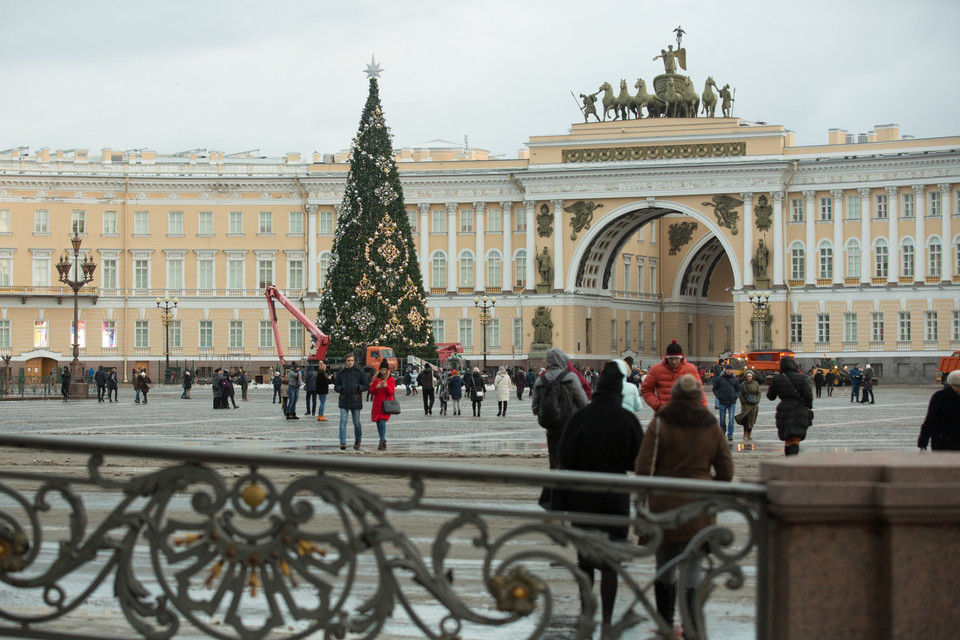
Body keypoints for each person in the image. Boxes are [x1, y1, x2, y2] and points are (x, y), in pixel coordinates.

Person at [635, 374, 733, 639]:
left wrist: (644, 494)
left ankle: (665, 622)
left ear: (675, 395)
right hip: (700, 503)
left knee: (664, 563)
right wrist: (711, 487)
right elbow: (726, 468)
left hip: (664, 501)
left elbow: (643, 465)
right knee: (693, 564)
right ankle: (690, 624)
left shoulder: (661, 421)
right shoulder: (710, 424)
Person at [557, 361, 643, 632]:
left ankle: (586, 612)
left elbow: (564, 457)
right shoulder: (628, 420)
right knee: (610, 563)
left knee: (585, 559)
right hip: (615, 497)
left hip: (582, 497)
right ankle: (607, 618)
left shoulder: (580, 418)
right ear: (619, 390)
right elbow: (636, 462)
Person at [532, 348, 589, 471]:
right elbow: (583, 401)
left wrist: (549, 413)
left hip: (551, 425)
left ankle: (555, 483)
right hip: (570, 424)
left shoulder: (540, 381)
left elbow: (535, 407)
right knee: (571, 458)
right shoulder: (571, 377)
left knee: (554, 459)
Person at [640, 340, 707, 412]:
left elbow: (699, 392)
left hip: (686, 415)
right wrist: (657, 405)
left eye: (676, 358)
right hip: (665, 414)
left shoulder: (691, 369)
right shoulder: (656, 370)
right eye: (671, 359)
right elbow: (646, 389)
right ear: (666, 358)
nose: (674, 362)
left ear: (681, 358)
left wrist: (703, 412)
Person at [766, 355, 813, 456]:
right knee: (795, 438)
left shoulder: (777, 378)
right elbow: (808, 395)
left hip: (784, 411)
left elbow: (771, 396)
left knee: (788, 439)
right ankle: (793, 463)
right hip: (799, 410)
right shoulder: (802, 378)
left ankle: (788, 462)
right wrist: (808, 406)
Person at [918, 370, 960, 451]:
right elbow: (930, 421)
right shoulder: (940, 397)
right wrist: (923, 443)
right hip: (943, 443)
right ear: (954, 385)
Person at [334, 353, 369, 450]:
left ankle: (358, 440)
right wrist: (341, 389)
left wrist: (359, 388)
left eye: (352, 360)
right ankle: (342, 441)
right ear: (345, 362)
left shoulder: (359, 372)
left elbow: (366, 385)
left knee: (356, 422)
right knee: (343, 421)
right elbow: (336, 387)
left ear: (354, 361)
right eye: (348, 360)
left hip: (355, 399)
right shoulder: (341, 373)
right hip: (344, 399)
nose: (350, 362)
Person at [369, 359, 396, 451]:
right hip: (377, 403)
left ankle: (381, 440)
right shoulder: (375, 378)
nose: (383, 371)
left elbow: (391, 392)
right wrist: (377, 387)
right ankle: (382, 439)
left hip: (386, 404)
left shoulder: (390, 379)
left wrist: (386, 386)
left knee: (382, 421)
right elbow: (371, 391)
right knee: (378, 422)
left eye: (385, 370)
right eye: (382, 369)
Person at [713, 364, 742, 441]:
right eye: (727, 369)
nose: (729, 371)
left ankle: (730, 434)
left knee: (731, 419)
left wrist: (735, 396)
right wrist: (719, 396)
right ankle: (722, 433)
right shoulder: (720, 379)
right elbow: (715, 388)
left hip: (732, 402)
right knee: (722, 419)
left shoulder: (735, 380)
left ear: (732, 371)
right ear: (725, 370)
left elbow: (739, 390)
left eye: (730, 369)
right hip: (722, 402)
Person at [735, 371, 761, 440]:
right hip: (746, 404)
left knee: (752, 420)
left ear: (752, 377)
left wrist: (757, 400)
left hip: (754, 404)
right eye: (747, 376)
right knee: (746, 419)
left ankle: (749, 433)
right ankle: (745, 433)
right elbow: (741, 393)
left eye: (750, 376)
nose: (749, 378)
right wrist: (743, 401)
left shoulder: (756, 384)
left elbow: (759, 392)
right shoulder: (743, 384)